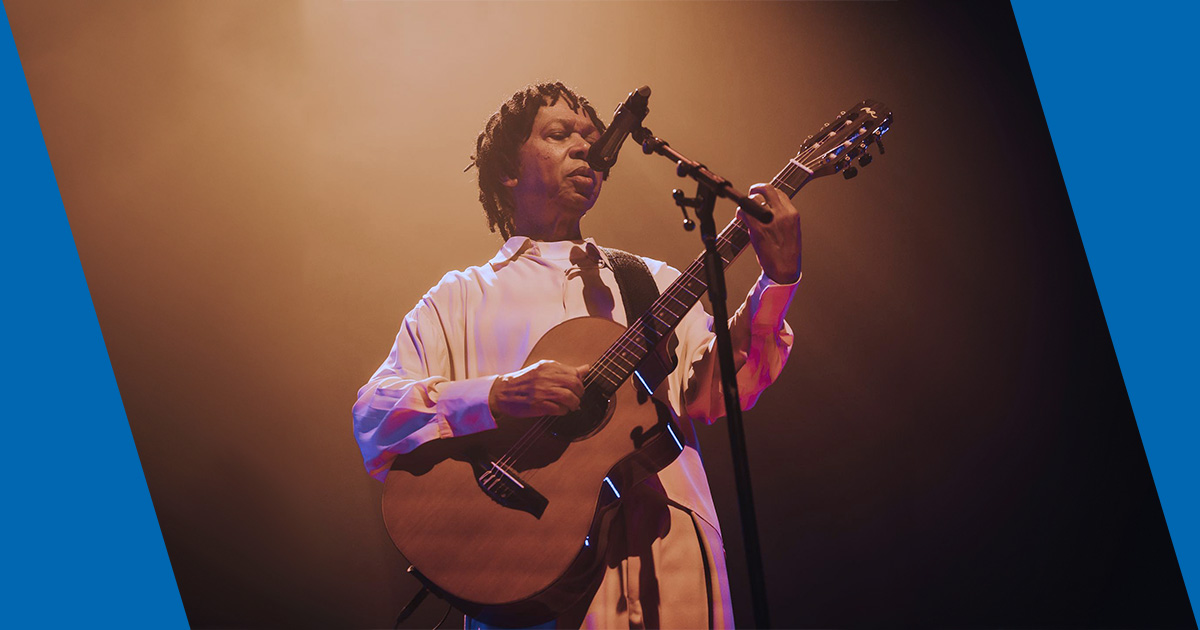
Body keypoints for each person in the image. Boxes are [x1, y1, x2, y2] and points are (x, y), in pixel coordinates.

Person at [352, 81, 802, 629]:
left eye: (591, 136)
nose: (585, 146)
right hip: (522, 564)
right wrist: (497, 395)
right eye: (558, 134)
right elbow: (375, 415)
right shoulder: (459, 296)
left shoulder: (650, 281)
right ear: (508, 172)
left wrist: (776, 285)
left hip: (669, 548)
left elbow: (716, 390)